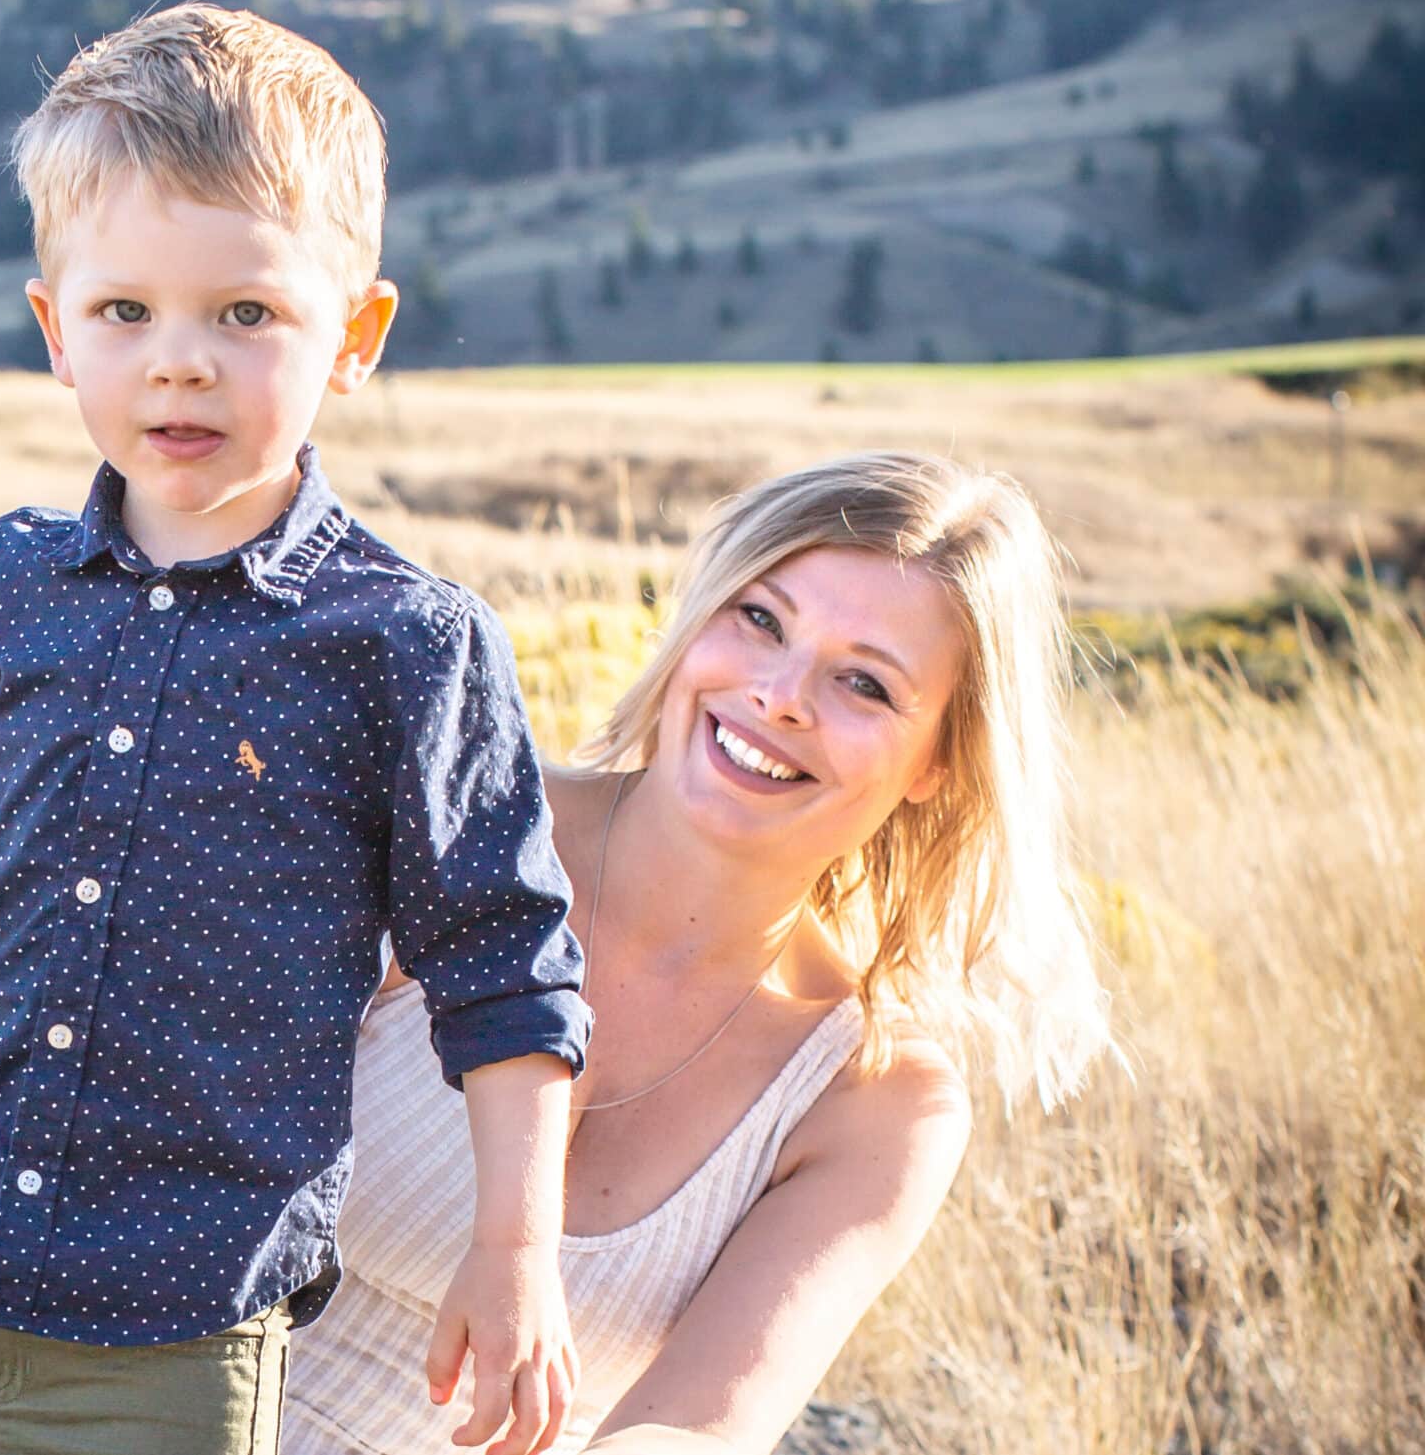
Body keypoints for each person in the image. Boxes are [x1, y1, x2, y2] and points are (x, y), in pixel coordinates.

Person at [0, 5, 592, 1455]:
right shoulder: (0, 584)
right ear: (53, 332)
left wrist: (515, 1254)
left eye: (246, 313)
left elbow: (506, 977)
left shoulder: (402, 644)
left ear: (357, 334)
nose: (178, 363)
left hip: (173, 1347)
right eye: (123, 311)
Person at [278, 451, 1114, 1453]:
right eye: (759, 619)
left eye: (864, 682)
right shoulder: (458, 826)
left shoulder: (876, 1100)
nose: (779, 693)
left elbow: (698, 1426)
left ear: (939, 759)